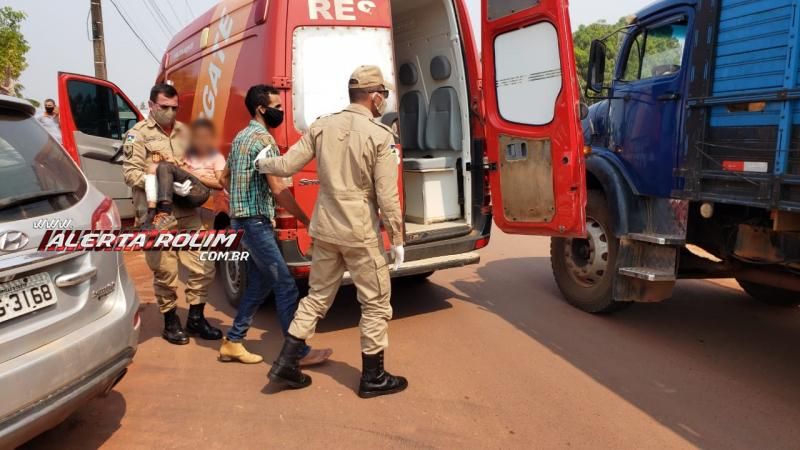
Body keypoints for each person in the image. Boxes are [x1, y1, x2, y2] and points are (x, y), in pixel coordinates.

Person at [257, 66, 407, 398]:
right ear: (376, 96)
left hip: (325, 227)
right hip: (359, 231)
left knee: (317, 298)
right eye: (383, 94)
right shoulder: (380, 135)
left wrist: (260, 164)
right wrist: (397, 238)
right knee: (376, 303)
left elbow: (285, 166)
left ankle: (286, 364)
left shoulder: (323, 125)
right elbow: (387, 197)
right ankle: (373, 377)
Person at [218, 84, 332, 366]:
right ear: (261, 108)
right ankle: (297, 353)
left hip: (241, 221)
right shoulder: (263, 142)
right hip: (255, 223)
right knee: (286, 285)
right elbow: (279, 189)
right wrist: (306, 219)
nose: (281, 112)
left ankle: (233, 341)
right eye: (278, 108)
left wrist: (240, 197)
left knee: (260, 283)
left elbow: (224, 179)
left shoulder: (240, 138)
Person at [122, 84, 222, 345]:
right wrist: (158, 181)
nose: (170, 112)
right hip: (157, 214)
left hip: (187, 210)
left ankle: (196, 318)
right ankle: (170, 321)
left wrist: (191, 178)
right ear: (152, 105)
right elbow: (130, 174)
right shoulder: (138, 135)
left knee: (203, 265)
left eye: (174, 108)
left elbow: (198, 163)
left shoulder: (184, 132)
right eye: (164, 107)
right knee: (165, 271)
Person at [142, 118, 226, 229]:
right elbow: (178, 169)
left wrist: (197, 175)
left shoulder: (216, 156)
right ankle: (152, 213)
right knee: (157, 167)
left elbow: (221, 184)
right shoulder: (187, 154)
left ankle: (164, 213)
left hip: (201, 191)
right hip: (185, 192)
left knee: (164, 168)